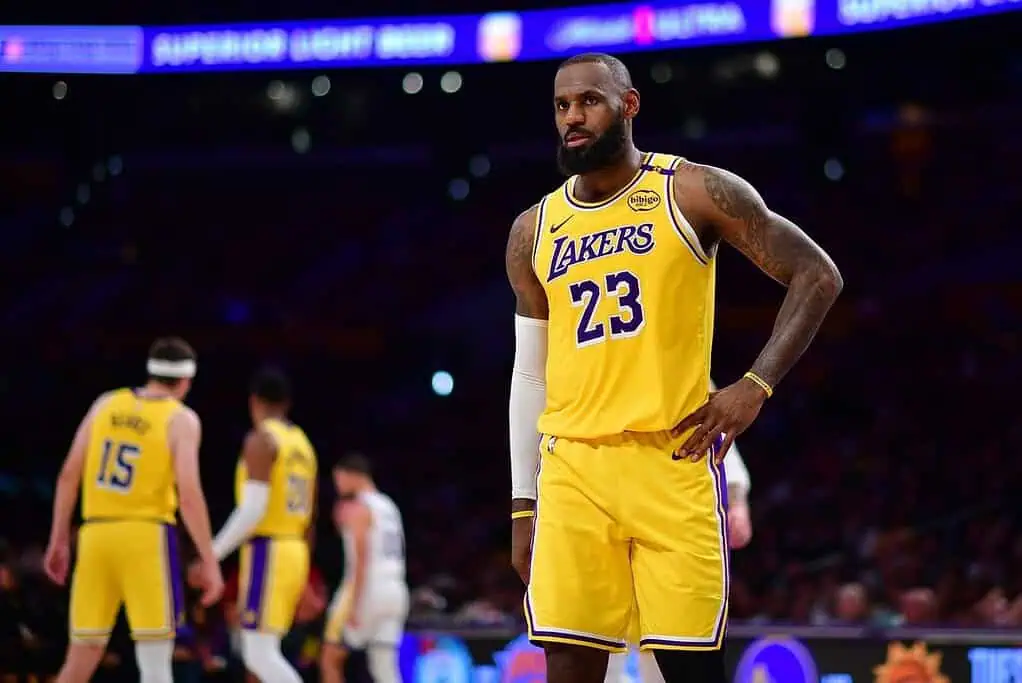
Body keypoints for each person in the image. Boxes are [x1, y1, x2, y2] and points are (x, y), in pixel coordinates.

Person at [505, 52, 842, 683]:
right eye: (562, 105)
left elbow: (817, 275)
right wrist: (524, 505)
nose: (573, 117)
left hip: (671, 460)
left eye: (590, 101)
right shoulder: (533, 230)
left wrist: (755, 385)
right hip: (574, 471)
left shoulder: (691, 191)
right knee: (570, 668)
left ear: (629, 105)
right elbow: (529, 376)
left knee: (689, 672)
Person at [43, 337, 223, 683]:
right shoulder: (181, 419)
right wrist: (209, 559)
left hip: (96, 535)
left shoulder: (105, 404)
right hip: (146, 538)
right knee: (154, 662)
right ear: (186, 381)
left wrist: (59, 538)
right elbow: (188, 495)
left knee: (81, 656)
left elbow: (68, 475)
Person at [605, 420, 754, 683]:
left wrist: (737, 500)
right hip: (605, 509)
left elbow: (716, 433)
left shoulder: (687, 393)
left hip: (670, 516)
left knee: (668, 644)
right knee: (600, 640)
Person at [200, 367, 318, 683]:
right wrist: (306, 572)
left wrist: (211, 554)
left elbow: (252, 510)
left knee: (258, 653)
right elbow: (311, 517)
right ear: (287, 403)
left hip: (269, 550)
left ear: (253, 401)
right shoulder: (303, 445)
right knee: (267, 650)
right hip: (295, 548)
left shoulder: (262, 439)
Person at [320, 453, 409, 683]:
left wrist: (354, 604)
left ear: (353, 476)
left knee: (330, 658)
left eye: (339, 479)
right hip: (395, 590)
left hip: (368, 589)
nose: (337, 486)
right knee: (384, 668)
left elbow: (361, 558)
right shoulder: (388, 506)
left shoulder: (359, 507)